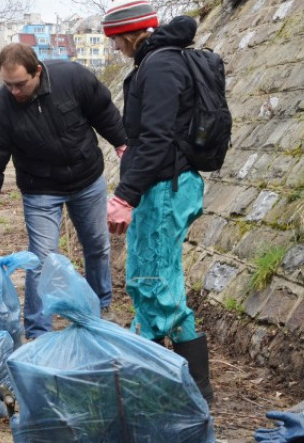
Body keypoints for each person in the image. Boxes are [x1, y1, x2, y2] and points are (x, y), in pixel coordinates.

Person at [0, 42, 127, 339]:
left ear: (37, 72)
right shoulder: (0, 110)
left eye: (20, 84)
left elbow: (103, 110)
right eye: (7, 84)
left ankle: (100, 310)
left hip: (87, 180)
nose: (14, 91)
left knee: (97, 246)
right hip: (40, 189)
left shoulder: (72, 78)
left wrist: (121, 141)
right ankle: (38, 330)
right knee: (40, 259)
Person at [103, 1, 215, 401]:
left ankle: (190, 388)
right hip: (160, 184)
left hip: (167, 186)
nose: (114, 48)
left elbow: (157, 138)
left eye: (115, 40)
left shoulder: (161, 66)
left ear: (128, 34)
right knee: (150, 280)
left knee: (154, 283)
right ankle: (160, 380)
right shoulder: (154, 63)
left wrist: (125, 194)